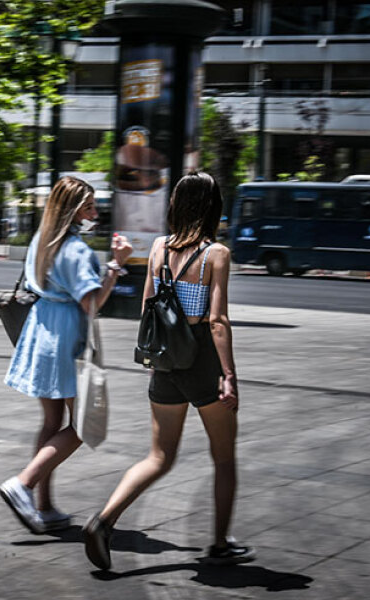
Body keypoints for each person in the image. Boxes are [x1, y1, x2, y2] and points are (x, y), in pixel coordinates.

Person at [82, 172, 255, 570]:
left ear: (176, 205)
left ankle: (104, 521)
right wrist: (228, 374)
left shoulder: (159, 248)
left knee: (159, 456)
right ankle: (220, 544)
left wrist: (153, 361)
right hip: (203, 363)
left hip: (165, 362)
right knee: (224, 458)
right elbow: (217, 321)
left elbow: (148, 308)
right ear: (213, 208)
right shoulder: (216, 254)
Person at [0, 176, 133, 535]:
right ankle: (23, 484)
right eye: (88, 206)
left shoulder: (41, 240)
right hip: (66, 340)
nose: (94, 213)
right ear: (72, 210)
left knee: (51, 422)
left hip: (41, 331)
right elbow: (92, 303)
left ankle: (42, 507)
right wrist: (116, 266)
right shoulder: (76, 250)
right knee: (83, 425)